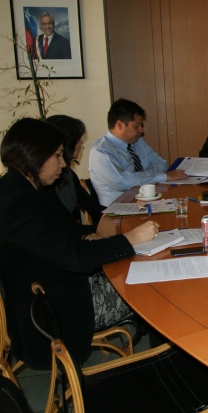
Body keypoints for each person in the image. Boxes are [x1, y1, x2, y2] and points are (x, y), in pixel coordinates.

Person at [0, 118, 160, 368]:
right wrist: (129, 238)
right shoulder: (15, 203)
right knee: (150, 290)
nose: (63, 163)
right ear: (34, 156)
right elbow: (77, 259)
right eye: (56, 156)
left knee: (141, 268)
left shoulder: (28, 189)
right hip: (54, 311)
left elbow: (66, 232)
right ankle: (163, 369)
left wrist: (100, 235)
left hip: (60, 284)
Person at [89, 98, 188, 207]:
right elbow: (123, 182)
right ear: (120, 125)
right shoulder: (101, 152)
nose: (141, 130)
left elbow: (161, 163)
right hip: (119, 209)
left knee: (181, 207)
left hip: (148, 200)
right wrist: (160, 176)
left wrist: (140, 177)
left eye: (141, 126)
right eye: (136, 126)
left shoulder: (137, 141)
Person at [44, 115, 104, 227]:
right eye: (78, 139)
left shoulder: (68, 174)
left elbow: (93, 208)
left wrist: (124, 215)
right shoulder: (47, 181)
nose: (81, 143)